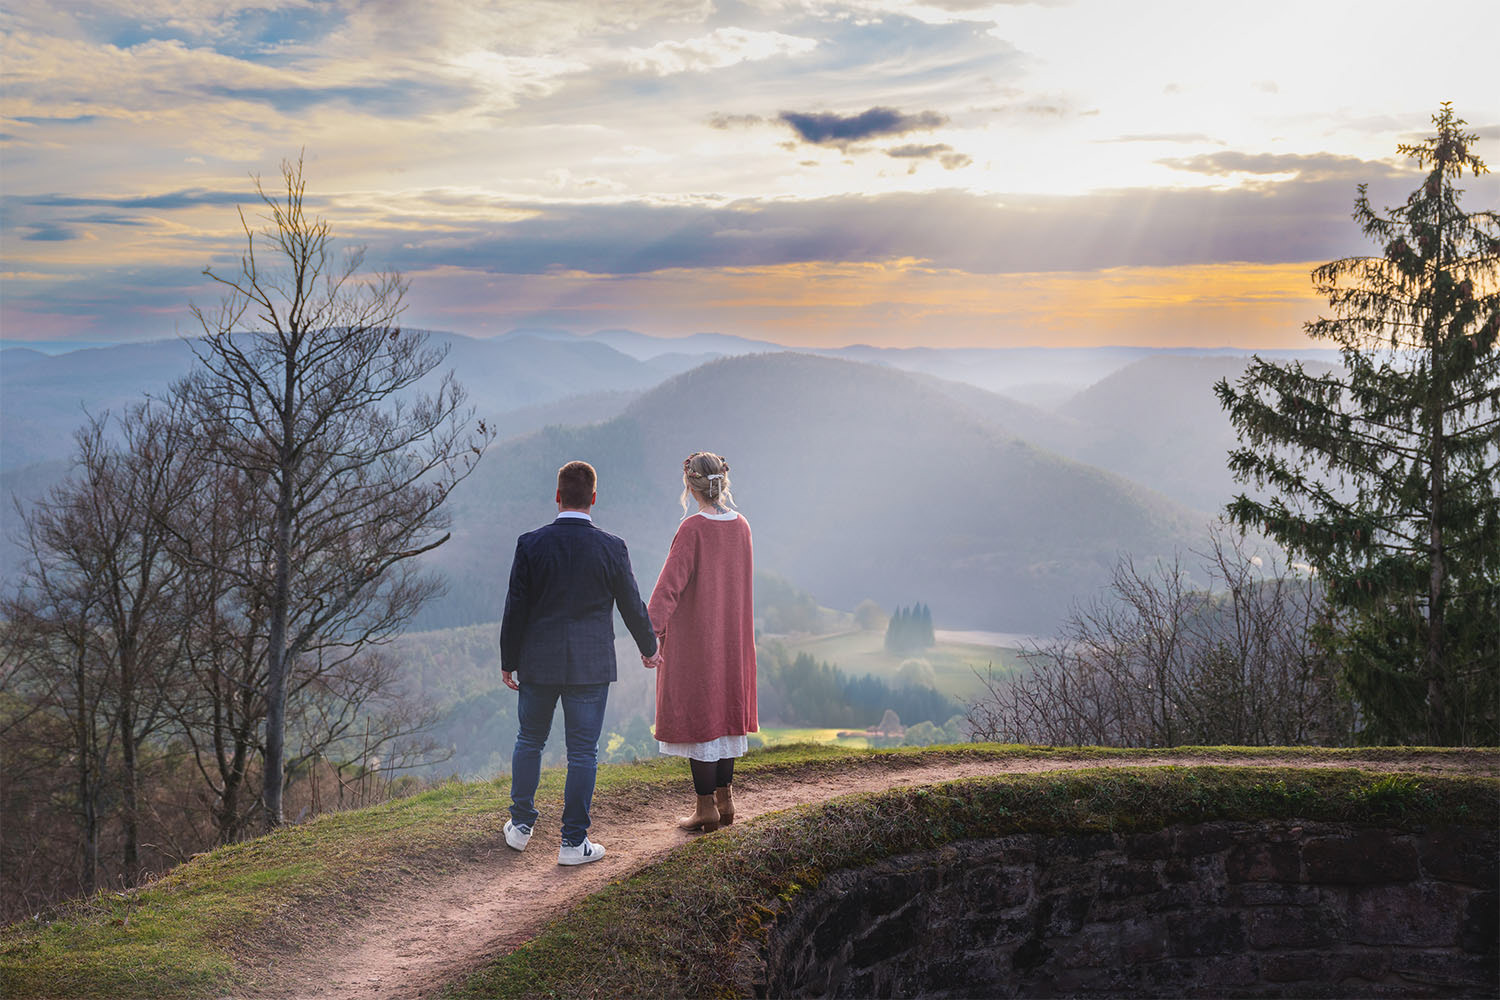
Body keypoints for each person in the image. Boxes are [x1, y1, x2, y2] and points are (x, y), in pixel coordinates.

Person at [500, 460, 657, 865]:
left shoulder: (530, 544)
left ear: (557, 496)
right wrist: (650, 646)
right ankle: (573, 843)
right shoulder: (612, 547)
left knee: (529, 739)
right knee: (583, 752)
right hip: (590, 665)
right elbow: (631, 605)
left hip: (538, 661)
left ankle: (520, 826)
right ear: (593, 498)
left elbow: (515, 608)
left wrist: (508, 659)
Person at [644, 451, 758, 833]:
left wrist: (650, 633)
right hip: (733, 640)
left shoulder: (692, 529)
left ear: (689, 486)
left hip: (699, 639)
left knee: (702, 721)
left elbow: (669, 588)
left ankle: (705, 808)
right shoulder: (742, 526)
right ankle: (726, 801)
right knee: (725, 718)